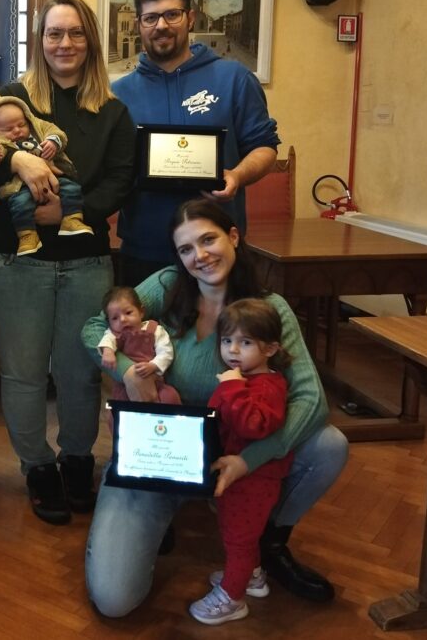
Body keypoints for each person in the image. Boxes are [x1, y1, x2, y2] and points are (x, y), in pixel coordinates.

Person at [81, 199, 348, 616]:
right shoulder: (168, 284)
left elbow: (311, 401)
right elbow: (96, 326)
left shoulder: (269, 308)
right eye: (186, 249)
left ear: (234, 236)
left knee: (329, 445)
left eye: (209, 240)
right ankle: (167, 514)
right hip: (158, 450)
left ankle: (267, 540)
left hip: (234, 453)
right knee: (114, 600)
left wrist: (248, 460)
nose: (200, 256)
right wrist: (128, 370)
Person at [0, 0, 136, 525]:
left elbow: (121, 179)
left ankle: (77, 460)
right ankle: (38, 467)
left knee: (80, 373)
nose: (65, 43)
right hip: (15, 263)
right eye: (54, 33)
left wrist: (69, 209)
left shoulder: (113, 111)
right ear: (39, 41)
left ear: (91, 41)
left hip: (85, 260)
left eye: (75, 33)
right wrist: (16, 159)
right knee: (24, 376)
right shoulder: (11, 100)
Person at [114, 0, 281, 286]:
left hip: (217, 252)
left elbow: (265, 147)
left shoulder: (234, 79)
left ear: (190, 18)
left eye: (171, 14)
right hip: (144, 250)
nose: (161, 25)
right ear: (138, 24)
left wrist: (237, 175)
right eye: (150, 18)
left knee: (224, 323)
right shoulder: (117, 94)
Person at [190, 297, 295, 625]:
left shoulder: (267, 387)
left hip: (254, 481)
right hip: (237, 477)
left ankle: (232, 598)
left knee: (239, 539)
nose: (233, 350)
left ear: (270, 348)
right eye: (227, 341)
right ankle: (252, 576)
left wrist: (233, 388)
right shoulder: (242, 379)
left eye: (245, 342)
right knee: (239, 533)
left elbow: (254, 425)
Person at [0, 92, 92, 256]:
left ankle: (72, 219)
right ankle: (27, 236)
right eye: (8, 129)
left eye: (21, 124)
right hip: (19, 187)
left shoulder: (36, 129)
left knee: (72, 189)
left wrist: (53, 142)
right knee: (20, 205)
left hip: (55, 180)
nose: (17, 131)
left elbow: (53, 130)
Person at [96, 285, 178, 407]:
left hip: (155, 380)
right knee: (119, 406)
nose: (122, 320)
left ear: (141, 312)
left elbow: (166, 351)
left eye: (128, 313)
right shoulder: (114, 334)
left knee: (170, 396)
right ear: (109, 322)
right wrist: (108, 351)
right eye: (115, 318)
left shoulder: (154, 329)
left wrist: (153, 365)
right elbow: (107, 341)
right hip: (125, 386)